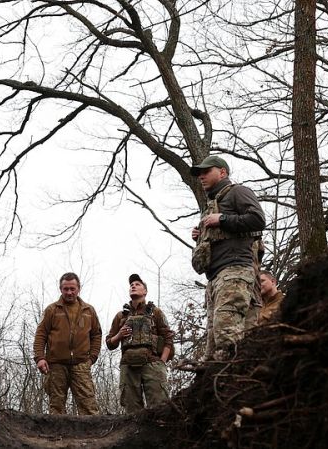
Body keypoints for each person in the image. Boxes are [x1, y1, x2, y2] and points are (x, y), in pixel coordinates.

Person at [189, 155, 265, 360]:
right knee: (214, 346)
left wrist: (222, 219)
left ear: (222, 172)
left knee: (226, 336)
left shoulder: (238, 192)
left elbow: (258, 219)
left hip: (235, 271)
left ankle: (233, 381)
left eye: (206, 171)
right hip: (215, 278)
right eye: (199, 174)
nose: (201, 177)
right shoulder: (212, 204)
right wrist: (200, 234)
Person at [33, 272, 102, 415]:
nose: (69, 292)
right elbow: (41, 335)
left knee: (89, 407)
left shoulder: (89, 311)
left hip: (81, 364)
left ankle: (91, 436)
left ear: (79, 288)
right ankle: (57, 437)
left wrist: (92, 358)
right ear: (60, 289)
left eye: (72, 288)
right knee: (56, 407)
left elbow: (96, 335)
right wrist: (40, 358)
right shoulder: (52, 310)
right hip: (56, 364)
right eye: (66, 289)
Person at [105, 274, 175, 413]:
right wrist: (119, 335)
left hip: (152, 364)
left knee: (159, 408)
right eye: (131, 285)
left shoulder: (155, 312)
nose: (133, 286)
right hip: (128, 366)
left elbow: (168, 338)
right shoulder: (121, 316)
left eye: (138, 284)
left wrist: (162, 362)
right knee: (132, 411)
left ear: (145, 291)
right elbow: (109, 343)